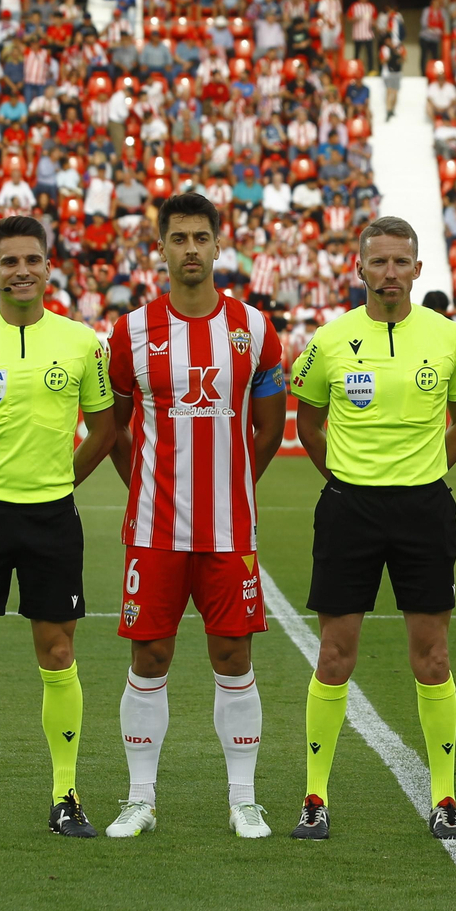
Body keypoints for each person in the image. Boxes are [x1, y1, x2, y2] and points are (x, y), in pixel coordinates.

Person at [0, 216, 120, 838]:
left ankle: (66, 794)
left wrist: (61, 479)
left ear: (48, 266)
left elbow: (104, 428)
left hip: (52, 516)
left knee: (58, 652)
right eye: (9, 261)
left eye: (32, 259)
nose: (22, 270)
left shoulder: (83, 342)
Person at [103, 193, 288, 840]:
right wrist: (145, 487)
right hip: (153, 529)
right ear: (160, 247)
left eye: (199, 238)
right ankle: (139, 798)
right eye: (177, 238)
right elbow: (114, 430)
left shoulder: (255, 329)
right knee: (149, 656)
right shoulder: (128, 333)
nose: (189, 249)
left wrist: (233, 486)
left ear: (217, 246)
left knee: (233, 654)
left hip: (228, 529)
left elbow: (267, 429)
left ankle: (243, 799)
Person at [288, 216, 456, 840]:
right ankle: (315, 798)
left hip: (424, 510)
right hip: (350, 510)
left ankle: (444, 799)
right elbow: (309, 421)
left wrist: (428, 472)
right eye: (380, 263)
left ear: (419, 270)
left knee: (433, 656)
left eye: (402, 263)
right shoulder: (329, 340)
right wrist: (343, 477)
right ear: (360, 268)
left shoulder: (450, 339)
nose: (390, 274)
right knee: (335, 655)